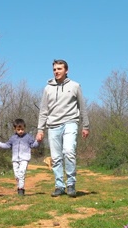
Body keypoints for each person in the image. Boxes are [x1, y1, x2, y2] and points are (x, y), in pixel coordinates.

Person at [36, 59, 89, 198]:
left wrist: (86, 125)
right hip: (53, 125)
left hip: (70, 122)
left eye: (59, 69)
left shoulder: (75, 86)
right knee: (56, 157)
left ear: (66, 70)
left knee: (69, 151)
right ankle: (59, 186)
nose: (56, 71)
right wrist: (40, 129)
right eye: (54, 69)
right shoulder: (48, 88)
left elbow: (82, 107)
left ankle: (71, 184)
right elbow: (43, 110)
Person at [0, 119, 40, 196]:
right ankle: (19, 186)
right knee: (17, 175)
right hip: (15, 159)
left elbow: (34, 145)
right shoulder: (13, 138)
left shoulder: (28, 137)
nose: (20, 131)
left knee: (21, 173)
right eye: (18, 129)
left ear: (24, 128)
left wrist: (38, 140)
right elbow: (7, 145)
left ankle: (21, 189)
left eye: (22, 129)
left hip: (24, 159)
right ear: (15, 129)